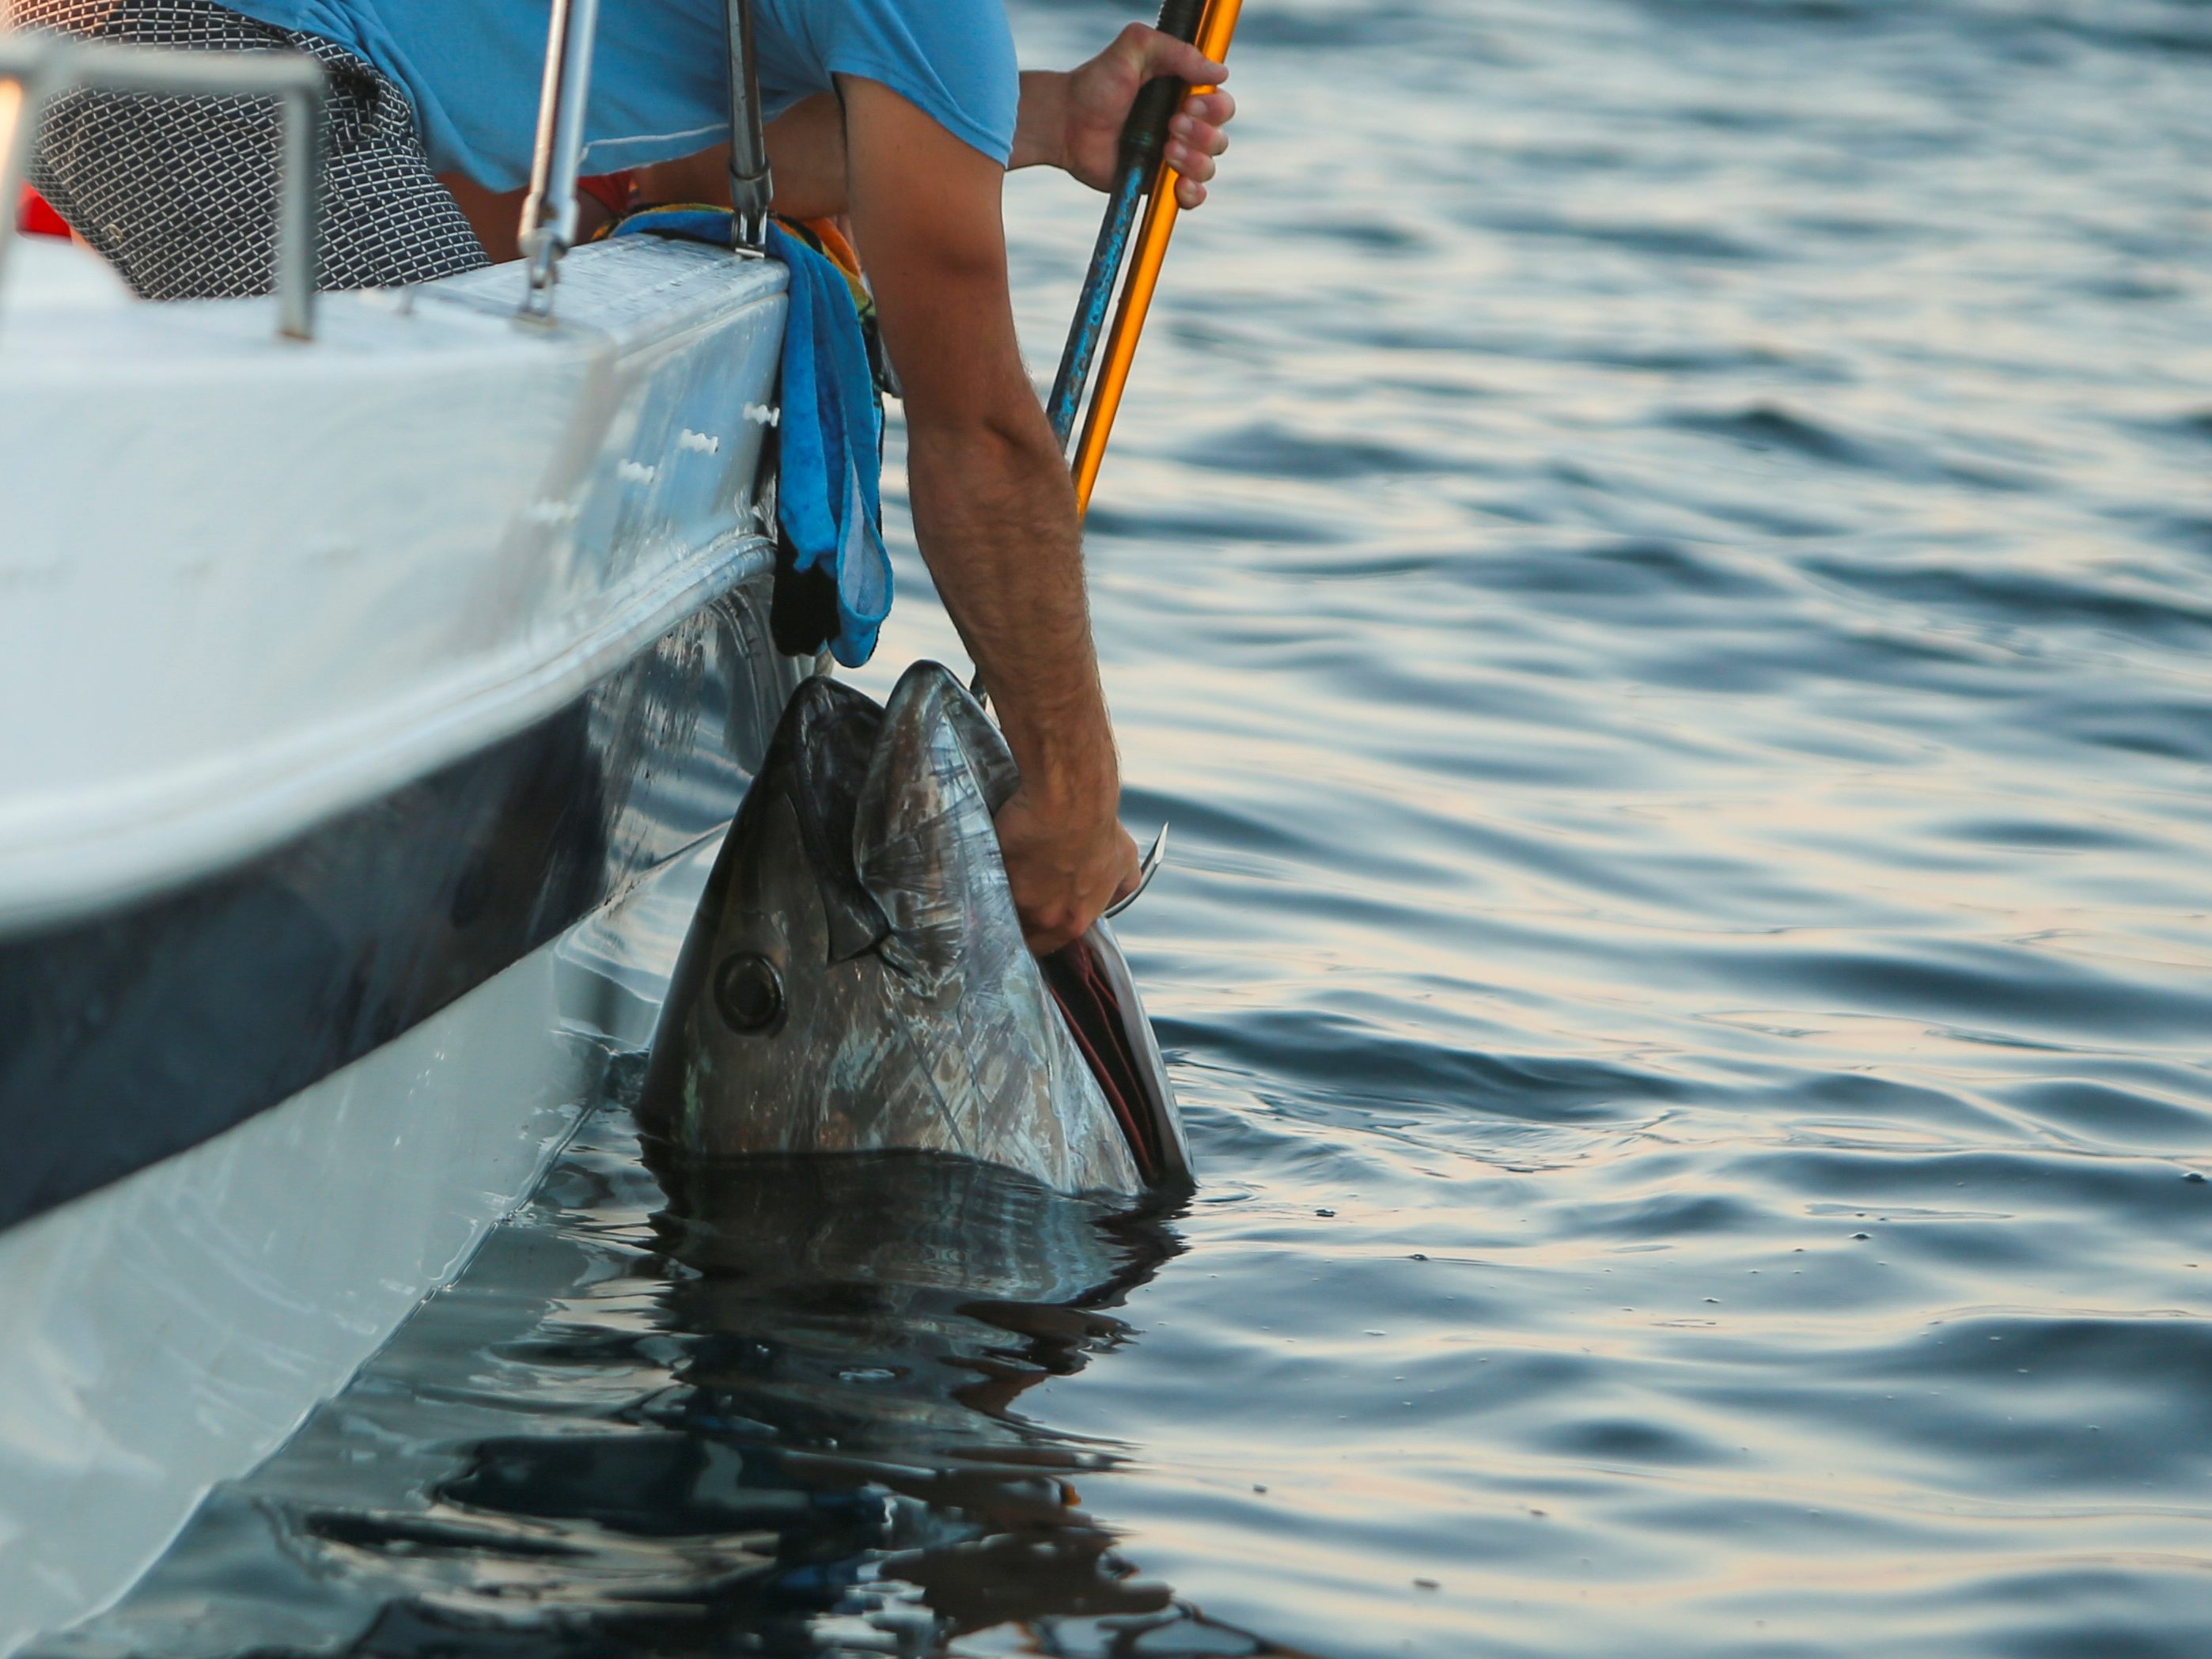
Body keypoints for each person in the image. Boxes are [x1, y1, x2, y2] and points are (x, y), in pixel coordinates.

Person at [14, 0, 1234, 955]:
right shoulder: (933, 18)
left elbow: (683, 174)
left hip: (166, 42)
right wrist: (1073, 795)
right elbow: (980, 431)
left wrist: (1033, 119)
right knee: (479, 504)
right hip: (210, 58)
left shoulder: (920, 33)